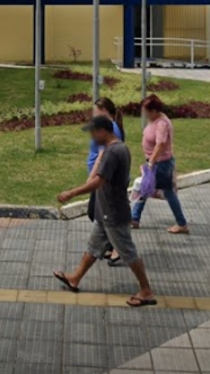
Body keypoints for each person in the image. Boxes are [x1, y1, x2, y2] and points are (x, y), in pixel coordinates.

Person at [54, 115, 157, 307]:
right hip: (107, 212)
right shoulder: (120, 147)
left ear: (103, 131)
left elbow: (98, 181)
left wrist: (72, 193)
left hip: (114, 213)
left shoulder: (112, 153)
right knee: (93, 247)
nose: (92, 138)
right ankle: (75, 278)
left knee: (128, 251)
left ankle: (146, 291)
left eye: (93, 133)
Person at [131, 95, 189, 234]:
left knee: (167, 192)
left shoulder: (162, 123)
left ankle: (182, 223)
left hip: (161, 163)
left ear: (154, 110)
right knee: (144, 187)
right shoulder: (154, 120)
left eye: (146, 111)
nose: (144, 114)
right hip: (155, 162)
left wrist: (151, 162)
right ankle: (135, 218)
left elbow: (161, 144)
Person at [87, 98, 124, 265]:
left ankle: (117, 247)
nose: (94, 114)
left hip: (103, 178)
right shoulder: (109, 126)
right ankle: (110, 246)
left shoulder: (110, 128)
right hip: (102, 178)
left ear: (104, 111)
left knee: (99, 215)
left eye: (96, 111)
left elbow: (103, 155)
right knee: (100, 216)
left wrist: (91, 178)